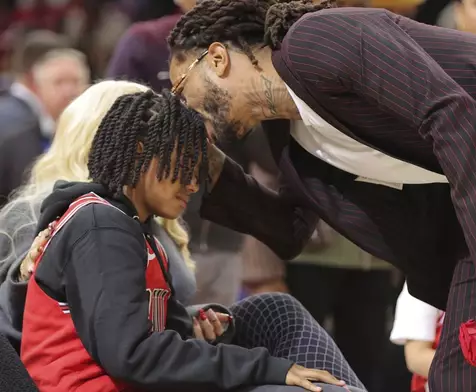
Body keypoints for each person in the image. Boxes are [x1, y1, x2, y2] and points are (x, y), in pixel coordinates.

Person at [129, 0, 476, 390]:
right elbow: (289, 229)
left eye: (181, 90)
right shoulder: (290, 137)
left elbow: (451, 112)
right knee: (467, 377)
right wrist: (214, 168)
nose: (186, 109)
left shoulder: (317, 38)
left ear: (217, 59)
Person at [19, 89, 360, 392]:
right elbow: (132, 356)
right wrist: (265, 367)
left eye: (197, 172)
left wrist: (185, 323)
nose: (194, 185)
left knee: (274, 309)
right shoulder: (99, 224)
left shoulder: (133, 228)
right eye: (185, 166)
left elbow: (133, 334)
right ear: (140, 152)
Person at [0, 81, 198, 352]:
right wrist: (26, 271)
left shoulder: (142, 211)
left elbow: (139, 312)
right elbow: (24, 316)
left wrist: (193, 319)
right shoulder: (46, 213)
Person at [107, 0, 245, 307]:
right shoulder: (146, 40)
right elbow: (113, 122)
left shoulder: (247, 44)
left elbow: (264, 154)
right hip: (152, 223)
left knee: (215, 328)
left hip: (224, 230)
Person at [0, 30, 89, 203]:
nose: (69, 91)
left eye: (76, 81)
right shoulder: (19, 133)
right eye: (59, 82)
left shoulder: (89, 134)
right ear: (37, 86)